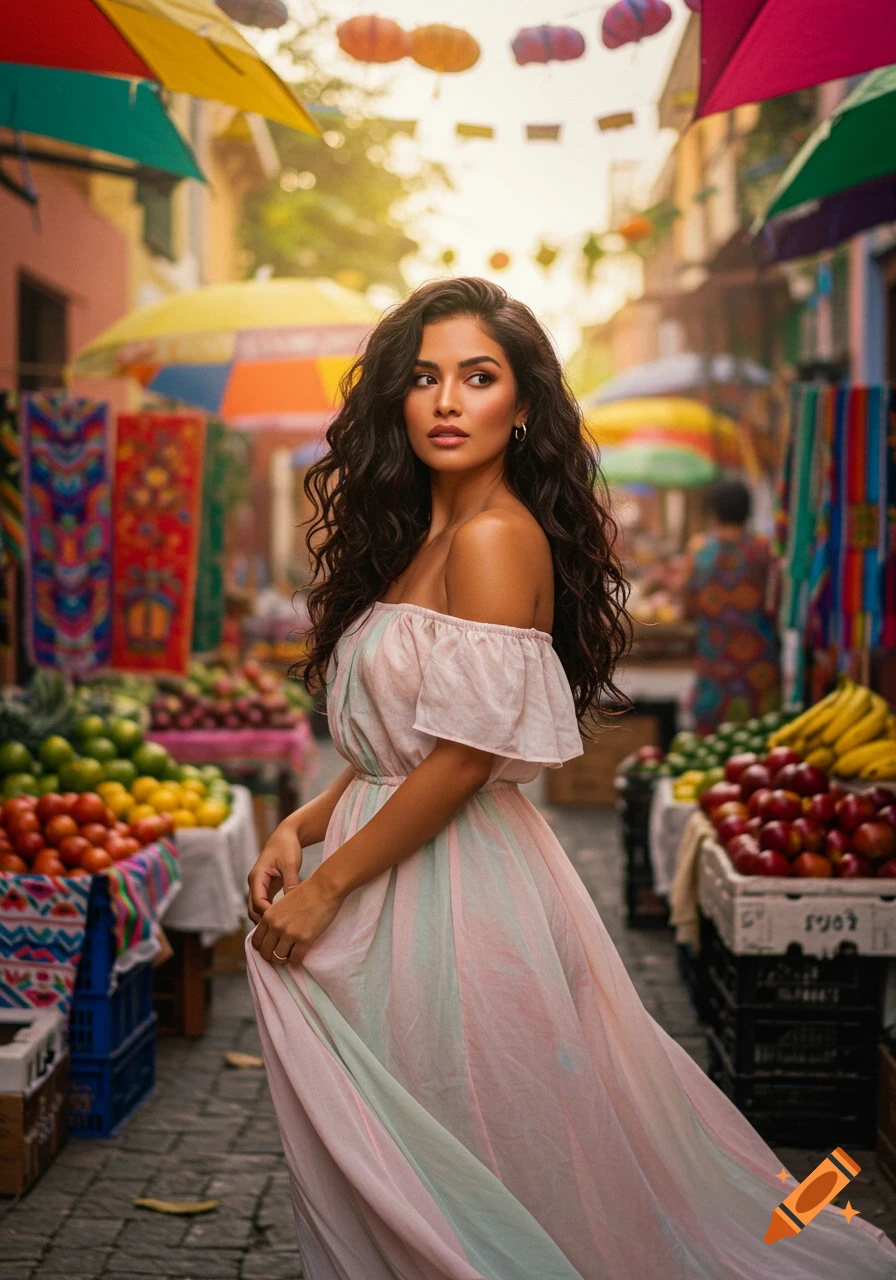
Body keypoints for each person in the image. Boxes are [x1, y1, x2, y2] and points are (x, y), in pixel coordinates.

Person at [244, 279, 896, 1279]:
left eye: (477, 375)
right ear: (395, 399)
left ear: (523, 405)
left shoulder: (496, 536)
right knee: (425, 1137)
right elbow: (403, 743)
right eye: (423, 378)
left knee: (476, 1137)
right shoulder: (419, 536)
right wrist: (308, 819)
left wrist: (330, 881)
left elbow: (462, 759)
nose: (447, 400)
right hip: (394, 865)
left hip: (451, 890)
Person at [684, 479, 782, 735]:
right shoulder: (764, 549)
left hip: (715, 660)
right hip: (759, 661)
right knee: (760, 737)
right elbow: (778, 600)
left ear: (715, 510)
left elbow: (689, 604)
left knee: (712, 742)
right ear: (748, 510)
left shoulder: (700, 549)